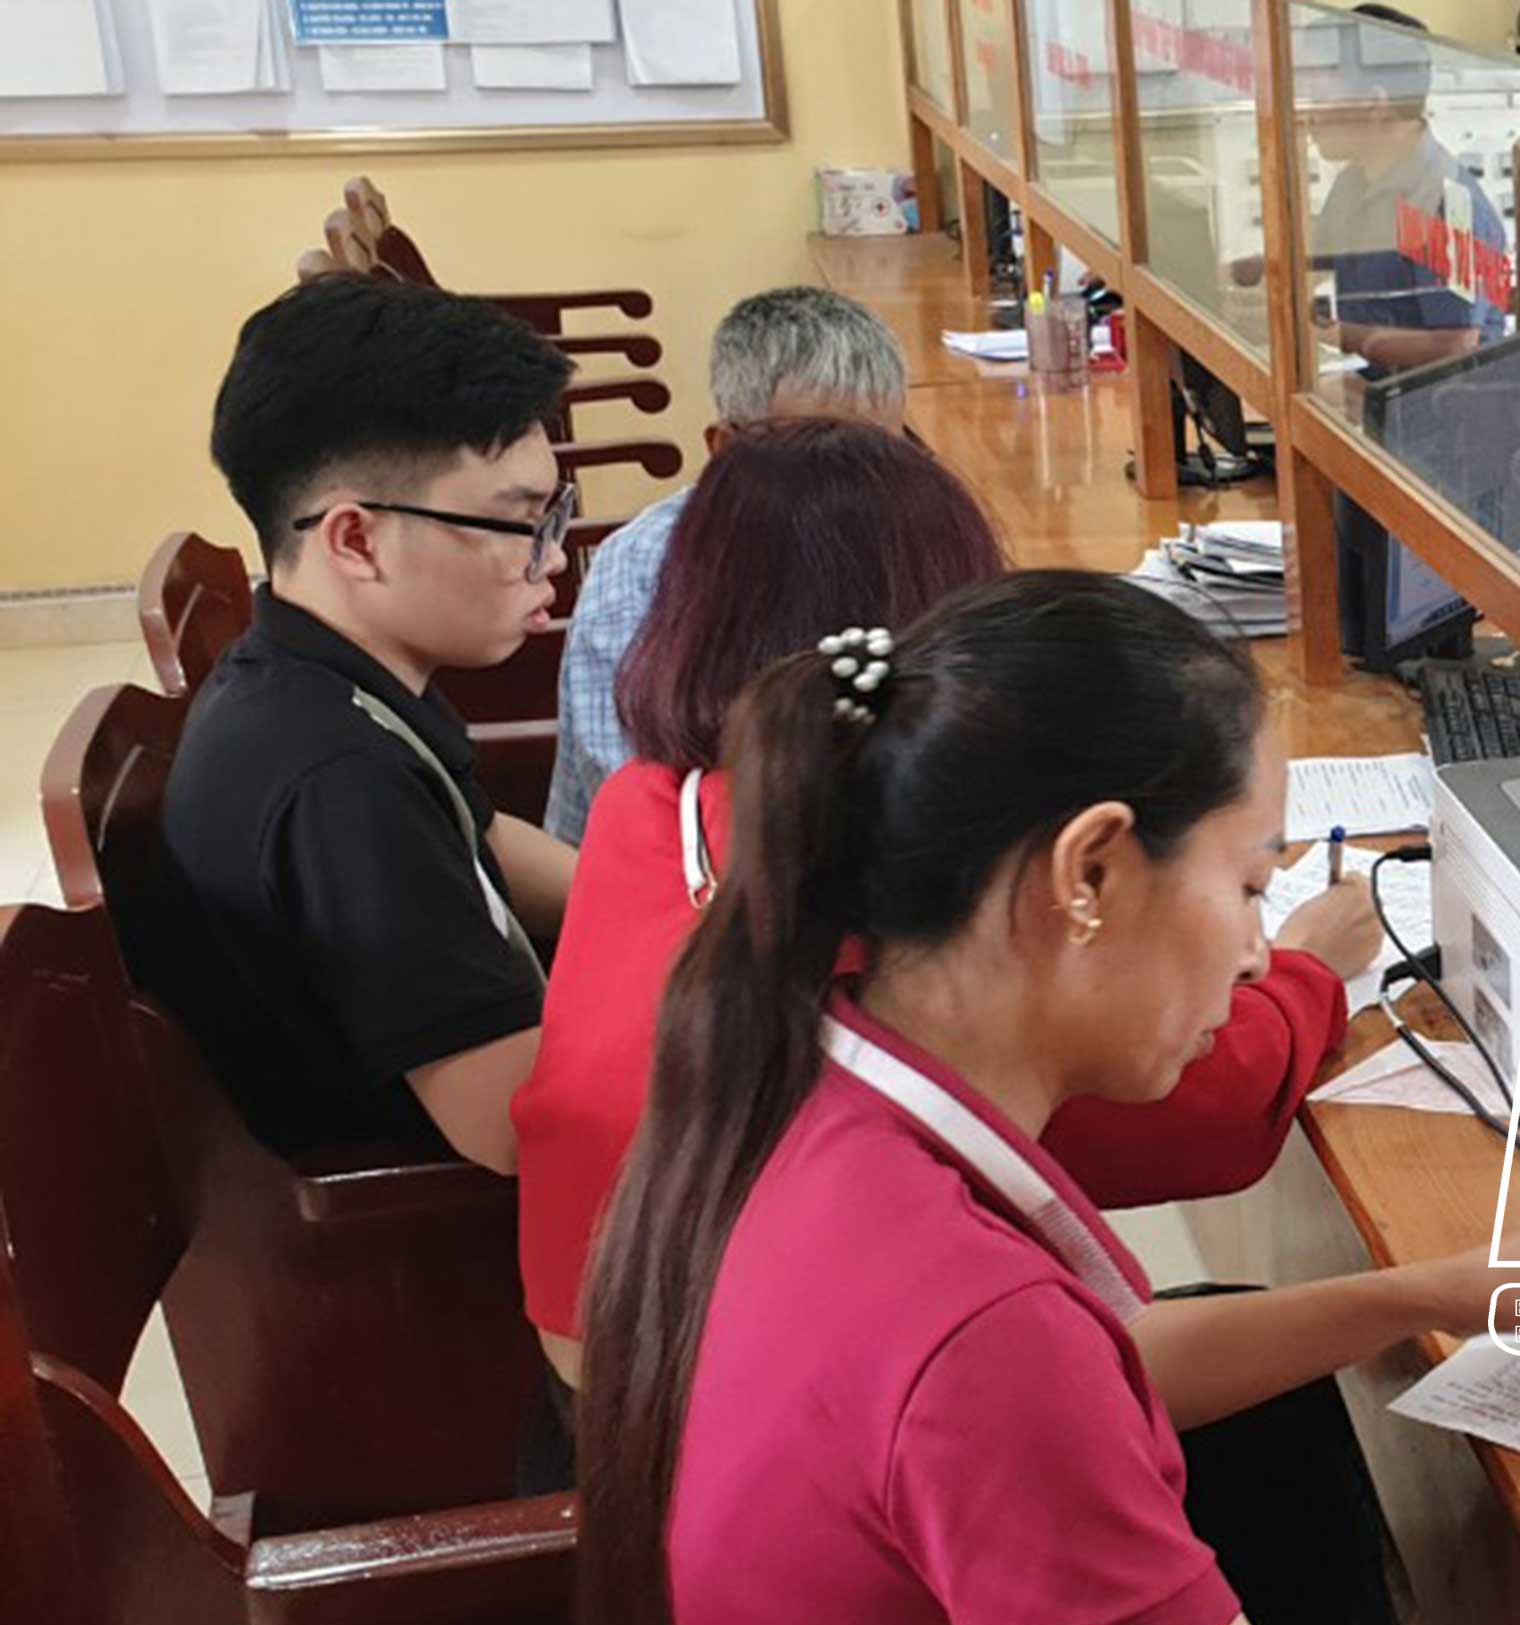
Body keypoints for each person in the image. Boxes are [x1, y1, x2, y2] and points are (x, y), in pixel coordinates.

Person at [575, 574, 1520, 1625]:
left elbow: (1089, 1371)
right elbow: (1014, 1388)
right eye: (1250, 887)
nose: (1260, 954)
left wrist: (1437, 1291)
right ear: (1089, 872)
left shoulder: (812, 1082)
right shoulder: (972, 1333)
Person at [513, 420, 1382, 1404]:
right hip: (717, 1417)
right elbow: (1210, 1113)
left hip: (610, 1398)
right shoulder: (903, 960)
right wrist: (1309, 963)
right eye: (1248, 889)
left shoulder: (645, 806)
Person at [159, 275, 579, 1172]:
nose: (552, 560)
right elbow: (515, 1128)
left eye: (553, 515)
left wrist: (668, 912)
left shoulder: (321, 665)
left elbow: (476, 833)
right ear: (355, 540)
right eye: (517, 525)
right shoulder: (341, 783)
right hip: (422, 1206)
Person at [545, 285, 910, 842]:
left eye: (884, 454)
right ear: (725, 450)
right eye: (817, 460)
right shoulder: (645, 572)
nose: (857, 489)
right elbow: (650, 829)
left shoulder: (910, 528)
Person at [1307, 3, 1510, 377]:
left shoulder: (1443, 203)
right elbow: (1316, 260)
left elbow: (1455, 347)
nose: (1307, 116)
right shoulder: (1354, 182)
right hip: (1377, 389)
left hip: (1443, 404)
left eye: (1318, 99)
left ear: (1376, 103)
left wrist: (1333, 335)